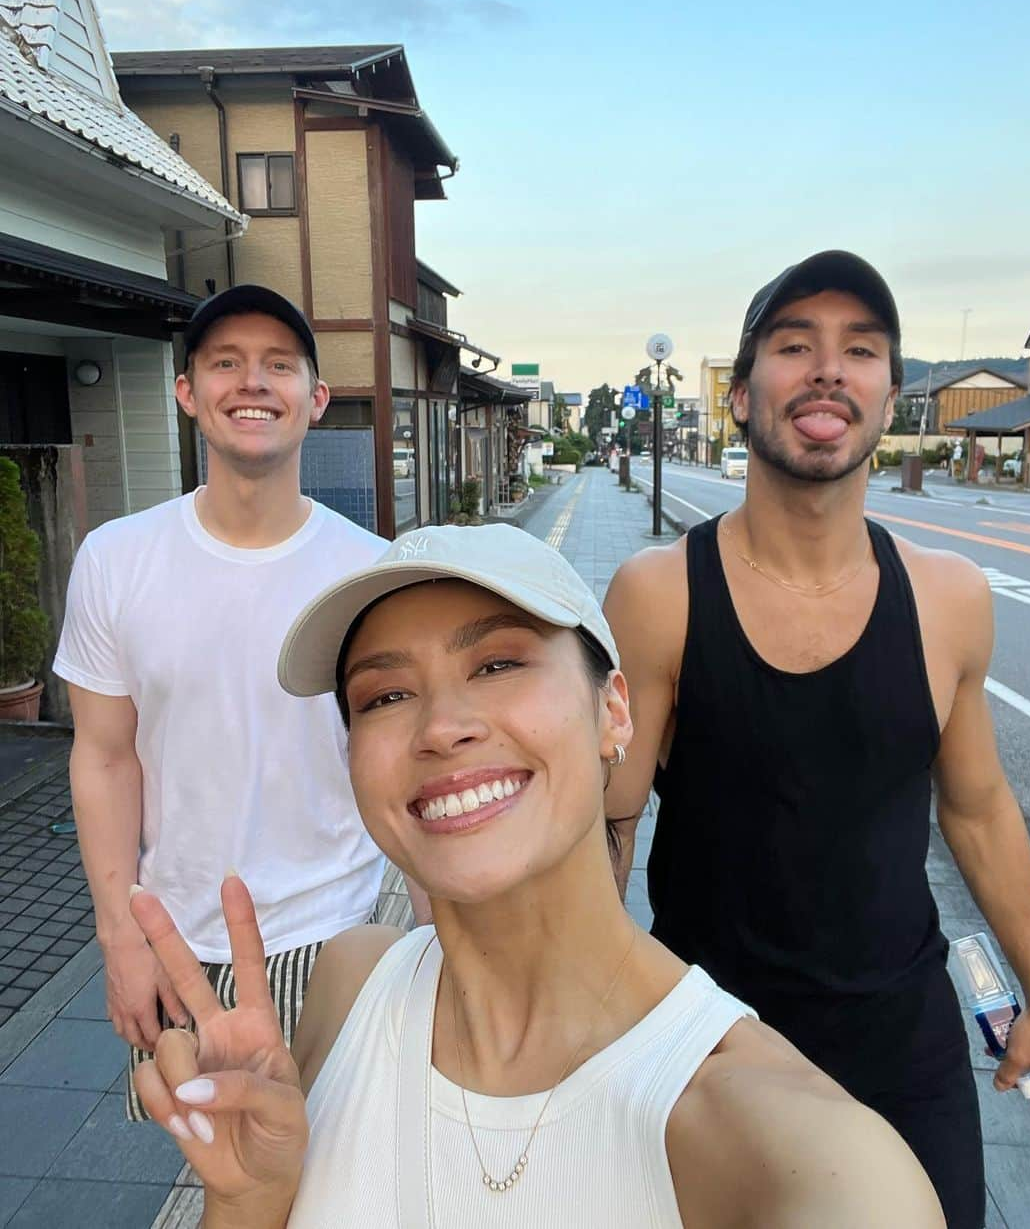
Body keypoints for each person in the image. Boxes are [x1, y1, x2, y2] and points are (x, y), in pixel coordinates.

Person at [127, 524, 944, 1228]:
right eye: (385, 696)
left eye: (497, 665)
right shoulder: (351, 983)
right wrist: (246, 1198)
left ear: (613, 710)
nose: (443, 727)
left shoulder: (789, 1146)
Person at [602, 251, 1030, 1229]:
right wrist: (573, 1019)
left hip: (905, 1049)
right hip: (709, 1044)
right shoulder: (660, 595)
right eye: (794, 346)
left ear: (892, 398)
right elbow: (605, 825)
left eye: (860, 350)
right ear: (738, 395)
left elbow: (979, 806)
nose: (828, 370)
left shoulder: (949, 599)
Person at [54, 284, 393, 1119]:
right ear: (187, 393)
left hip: (337, 928)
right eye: (226, 364)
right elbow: (102, 754)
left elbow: (402, 760)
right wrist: (119, 936)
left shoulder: (372, 571)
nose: (252, 383)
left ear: (315, 400)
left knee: (346, 1159)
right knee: (223, 1168)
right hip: (177, 937)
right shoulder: (116, 558)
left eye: (279, 366)